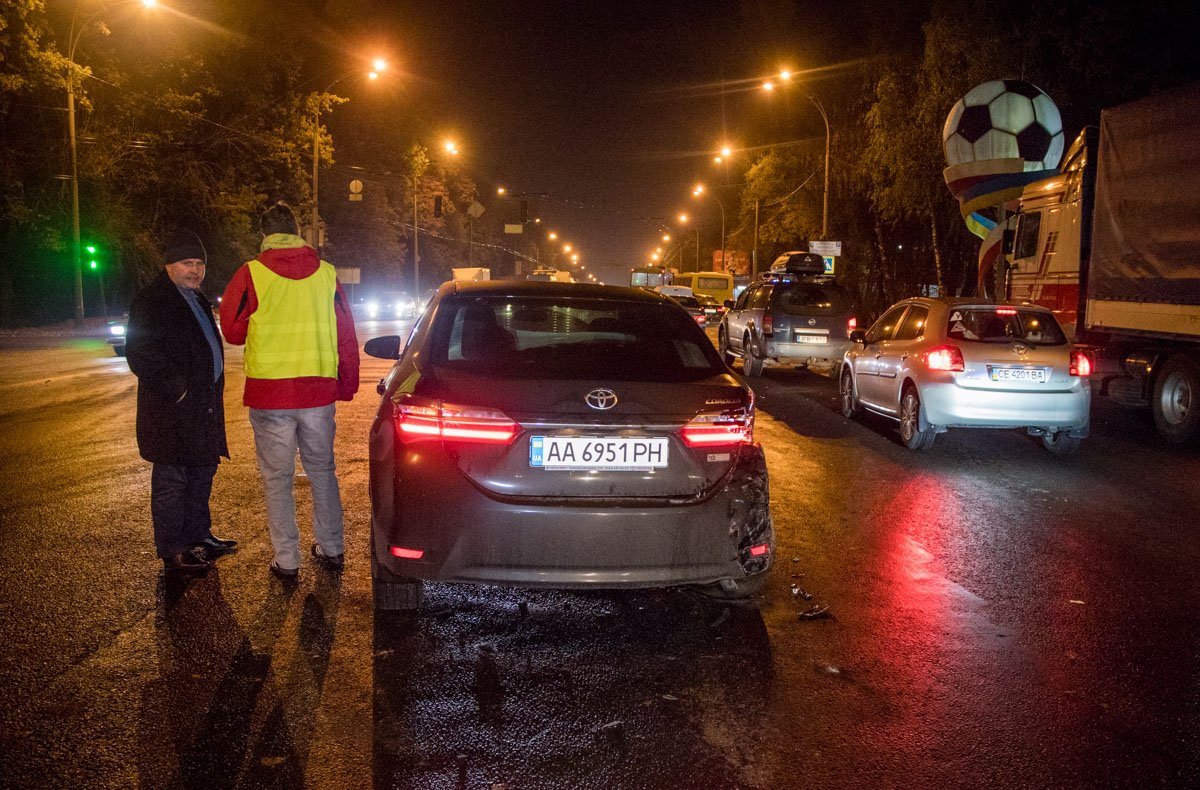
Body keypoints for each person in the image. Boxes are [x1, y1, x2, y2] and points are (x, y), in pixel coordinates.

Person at [219, 202, 359, 578]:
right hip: (317, 392)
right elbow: (346, 333)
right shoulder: (327, 275)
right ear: (298, 231)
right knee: (322, 471)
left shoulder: (251, 273)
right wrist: (346, 383)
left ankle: (287, 560)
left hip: (270, 395)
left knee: (277, 479)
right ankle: (332, 548)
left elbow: (232, 330)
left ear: (264, 235)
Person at [127, 229, 236, 573]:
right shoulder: (154, 300)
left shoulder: (195, 297)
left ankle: (198, 536)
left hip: (201, 407)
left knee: (202, 471)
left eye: (200, 263)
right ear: (169, 264)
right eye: (187, 263)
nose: (195, 270)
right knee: (173, 480)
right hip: (171, 410)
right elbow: (141, 351)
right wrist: (178, 388)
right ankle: (174, 549)